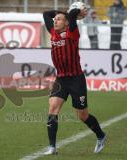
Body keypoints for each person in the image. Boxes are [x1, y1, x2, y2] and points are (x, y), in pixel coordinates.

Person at [42, 8, 106, 155]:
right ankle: (52, 147)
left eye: (59, 19)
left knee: (82, 115)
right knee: (52, 108)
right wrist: (63, 12)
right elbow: (46, 14)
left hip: (76, 79)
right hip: (61, 79)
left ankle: (101, 135)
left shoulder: (72, 33)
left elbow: (72, 14)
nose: (55, 21)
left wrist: (73, 13)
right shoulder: (53, 33)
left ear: (67, 23)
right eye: (55, 19)